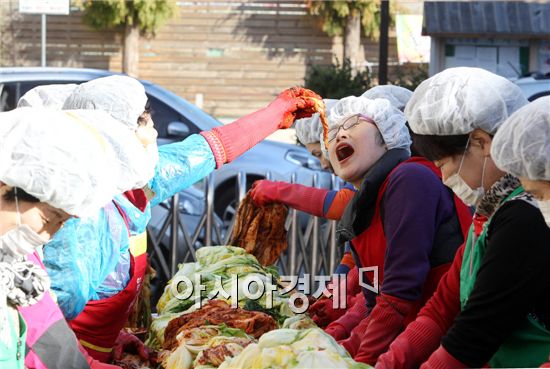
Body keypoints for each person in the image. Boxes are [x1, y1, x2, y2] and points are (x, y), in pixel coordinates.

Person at [21, 77, 322, 363]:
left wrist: (277, 112)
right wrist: (91, 359)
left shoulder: (135, 181)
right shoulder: (81, 223)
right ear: (112, 137)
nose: (153, 133)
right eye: (143, 122)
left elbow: (202, 152)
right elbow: (38, 333)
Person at [376, 67, 550, 368]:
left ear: (481, 142)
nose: (443, 178)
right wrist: (391, 361)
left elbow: (477, 332)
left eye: (443, 163)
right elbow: (443, 306)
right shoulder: (489, 212)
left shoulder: (525, 217)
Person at [320, 95, 471, 365]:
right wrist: (339, 348)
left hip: (448, 344)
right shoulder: (362, 207)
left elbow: (400, 288)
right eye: (332, 132)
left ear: (387, 135)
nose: (340, 134)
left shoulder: (409, 178)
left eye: (353, 124)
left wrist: (363, 359)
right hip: (406, 342)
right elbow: (372, 303)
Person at [0, 107, 139, 369]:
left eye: (61, 223)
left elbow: (48, 340)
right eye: (47, 219)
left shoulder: (15, 267)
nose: (46, 235)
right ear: (6, 187)